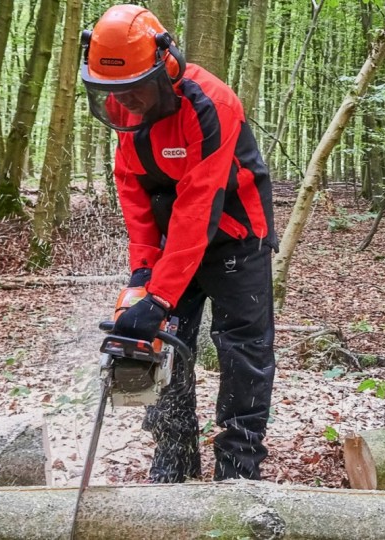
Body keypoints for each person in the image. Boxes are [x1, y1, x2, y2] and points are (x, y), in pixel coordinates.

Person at [81, 4, 278, 483]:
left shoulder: (211, 103)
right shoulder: (123, 108)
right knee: (166, 343)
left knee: (242, 348)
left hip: (234, 236)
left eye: (136, 90)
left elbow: (200, 204)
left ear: (164, 68)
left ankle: (238, 463)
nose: (128, 103)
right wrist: (144, 275)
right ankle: (173, 449)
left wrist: (161, 294)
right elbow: (133, 191)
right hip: (176, 245)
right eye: (116, 93)